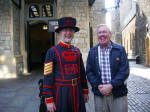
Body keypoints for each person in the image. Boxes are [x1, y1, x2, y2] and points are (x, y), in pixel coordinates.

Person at [42, 17, 89, 112]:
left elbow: (82, 73)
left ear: (74, 33)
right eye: (65, 30)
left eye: (71, 30)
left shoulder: (77, 51)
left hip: (77, 92)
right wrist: (49, 99)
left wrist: (85, 90)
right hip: (61, 94)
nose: (68, 33)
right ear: (59, 32)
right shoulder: (52, 52)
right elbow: (47, 76)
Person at [86, 24, 129, 112]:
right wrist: (99, 86)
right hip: (100, 94)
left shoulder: (120, 50)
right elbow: (89, 72)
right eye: (99, 32)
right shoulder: (92, 51)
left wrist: (111, 85)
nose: (102, 34)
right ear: (97, 35)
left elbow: (124, 71)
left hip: (118, 94)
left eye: (104, 32)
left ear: (110, 34)